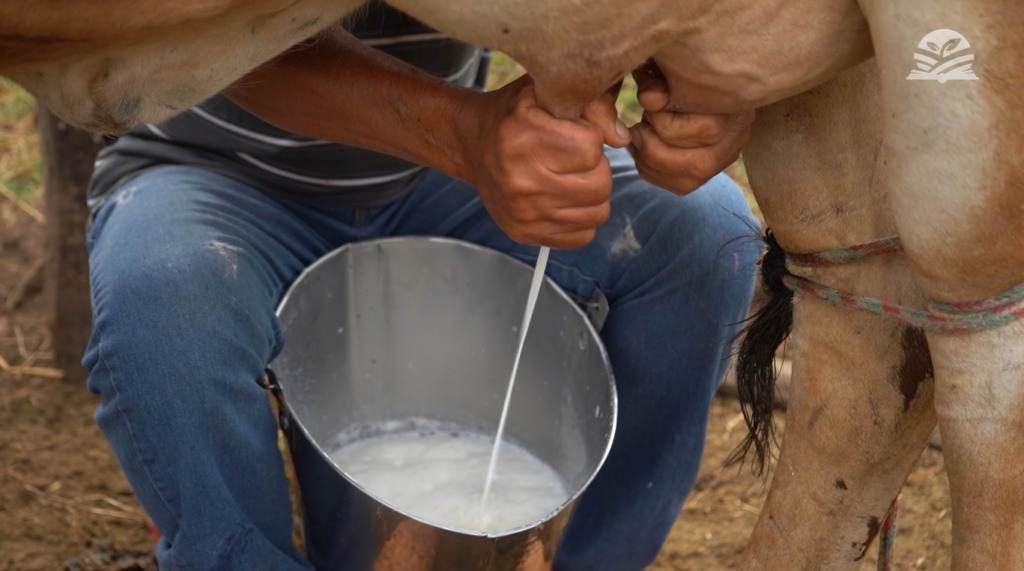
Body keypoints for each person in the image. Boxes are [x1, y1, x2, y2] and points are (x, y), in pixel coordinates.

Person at [83, 4, 760, 570]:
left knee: (702, 233)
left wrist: (704, 86)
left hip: (427, 176)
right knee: (163, 293)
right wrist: (468, 136)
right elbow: (223, 37)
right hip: (210, 174)